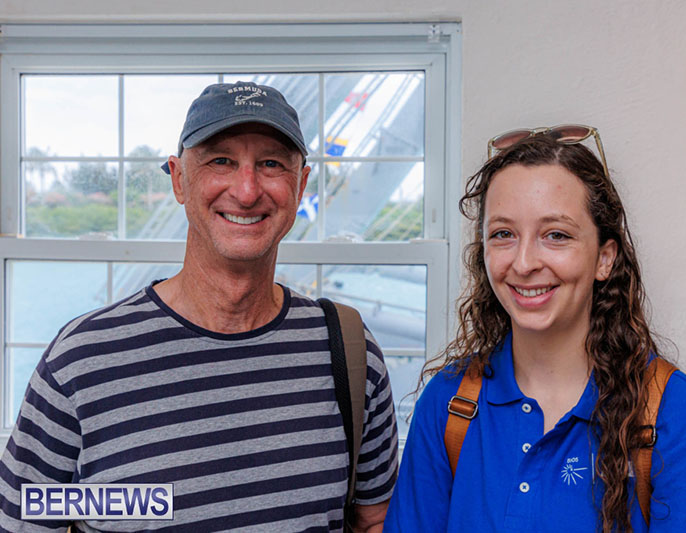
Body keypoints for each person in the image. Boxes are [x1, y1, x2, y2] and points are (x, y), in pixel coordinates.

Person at [0, 81, 398, 532]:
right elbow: (26, 519)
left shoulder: (348, 352)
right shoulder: (83, 360)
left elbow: (374, 520)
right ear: (179, 179)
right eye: (220, 161)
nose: (246, 191)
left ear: (301, 184)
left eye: (271, 164)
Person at [384, 127, 686, 532]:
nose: (524, 263)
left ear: (604, 259)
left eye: (556, 235)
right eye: (503, 234)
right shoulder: (449, 405)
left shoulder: (680, 418)